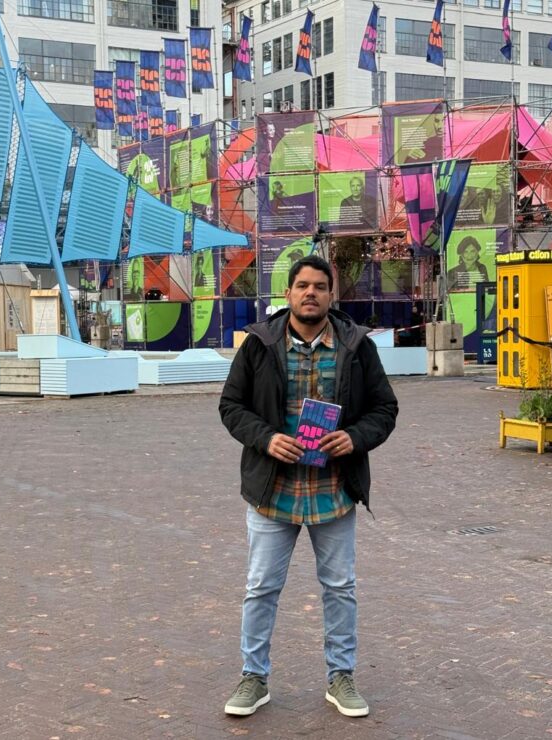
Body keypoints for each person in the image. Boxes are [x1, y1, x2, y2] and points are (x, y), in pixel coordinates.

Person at [219, 254, 398, 719]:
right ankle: (253, 677)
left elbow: (385, 409)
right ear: (288, 293)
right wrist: (266, 438)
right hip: (272, 490)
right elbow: (231, 406)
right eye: (303, 285)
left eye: (319, 286)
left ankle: (341, 676)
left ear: (331, 294)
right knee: (261, 588)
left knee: (340, 588)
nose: (311, 293)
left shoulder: (357, 347)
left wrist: (354, 438)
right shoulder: (260, 344)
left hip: (333, 490)